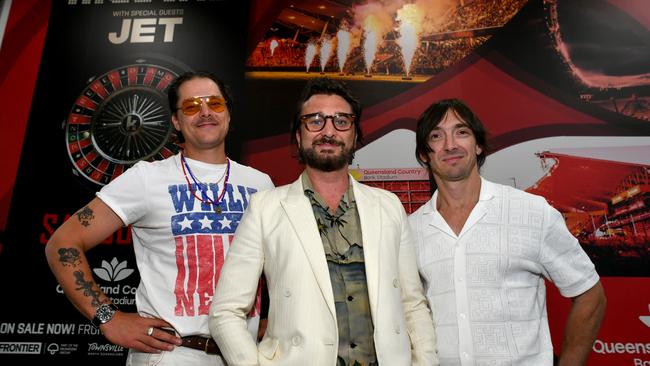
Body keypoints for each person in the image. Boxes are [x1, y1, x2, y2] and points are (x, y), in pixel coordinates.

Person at [45, 71, 274, 365]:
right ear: (176, 122)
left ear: (228, 113)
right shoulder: (147, 178)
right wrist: (108, 318)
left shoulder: (261, 183)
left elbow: (277, 266)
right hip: (173, 354)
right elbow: (62, 243)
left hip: (244, 356)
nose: (205, 112)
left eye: (215, 103)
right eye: (191, 106)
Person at [209, 77, 438, 366]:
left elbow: (413, 304)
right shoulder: (266, 208)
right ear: (297, 135)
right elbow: (226, 310)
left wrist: (425, 361)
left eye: (341, 121)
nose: (328, 131)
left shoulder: (388, 206)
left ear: (355, 135)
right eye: (315, 121)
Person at [408, 98, 607, 365]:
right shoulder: (411, 229)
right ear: (424, 153)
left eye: (461, 132)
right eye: (436, 136)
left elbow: (590, 295)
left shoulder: (531, 212)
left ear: (478, 145)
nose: (450, 145)